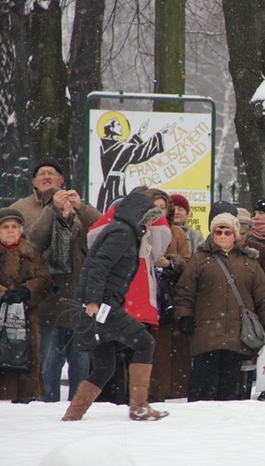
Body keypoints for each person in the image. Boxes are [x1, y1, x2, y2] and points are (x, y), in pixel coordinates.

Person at [62, 191, 168, 421]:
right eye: (148, 217)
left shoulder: (126, 232)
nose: (151, 223)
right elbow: (99, 265)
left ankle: (72, 415)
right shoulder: (123, 232)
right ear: (138, 215)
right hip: (101, 305)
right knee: (145, 342)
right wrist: (92, 300)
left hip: (100, 304)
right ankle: (139, 407)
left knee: (104, 367)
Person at [14, 158, 101, 403]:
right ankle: (47, 405)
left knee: (81, 357)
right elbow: (32, 243)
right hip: (47, 296)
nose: (47, 176)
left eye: (53, 172)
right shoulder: (22, 208)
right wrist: (52, 210)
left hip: (80, 295)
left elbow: (101, 230)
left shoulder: (79, 205)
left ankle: (79, 404)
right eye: (41, 173)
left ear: (63, 180)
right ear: (33, 181)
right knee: (49, 357)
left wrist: (81, 207)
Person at [175, 213, 265, 402]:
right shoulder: (199, 260)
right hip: (205, 335)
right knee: (201, 388)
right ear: (212, 233)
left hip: (236, 336)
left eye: (227, 231)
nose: (222, 235)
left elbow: (263, 296)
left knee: (230, 390)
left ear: (236, 235)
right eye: (218, 231)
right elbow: (185, 292)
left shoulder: (250, 262)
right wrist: (184, 316)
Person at [0, 208, 54, 403]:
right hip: (1, 319)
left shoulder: (32, 253)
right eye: (5, 227)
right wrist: (3, 294)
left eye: (14, 226)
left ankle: (24, 403)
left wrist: (27, 290)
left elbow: (46, 280)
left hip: (26, 321)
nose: (10, 231)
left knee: (25, 365)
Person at [143, 189, 192, 401]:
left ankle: (167, 391)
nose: (159, 212)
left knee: (167, 351)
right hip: (143, 296)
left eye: (163, 208)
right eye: (155, 208)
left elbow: (189, 265)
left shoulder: (177, 233)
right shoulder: (136, 230)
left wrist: (171, 263)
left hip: (167, 298)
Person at [97, 117, 175, 210]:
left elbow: (124, 154)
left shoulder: (107, 146)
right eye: (118, 125)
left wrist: (139, 134)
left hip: (106, 189)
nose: (120, 127)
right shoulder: (118, 148)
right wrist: (160, 134)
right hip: (115, 188)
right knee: (116, 210)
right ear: (112, 129)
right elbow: (140, 152)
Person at [237, 207, 265, 288]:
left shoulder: (259, 249)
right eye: (236, 234)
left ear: (248, 232)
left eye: (243, 233)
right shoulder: (224, 249)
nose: (239, 238)